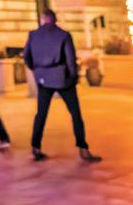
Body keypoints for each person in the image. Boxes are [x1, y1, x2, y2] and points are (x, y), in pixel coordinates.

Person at [23, 9, 102, 163]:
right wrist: (73, 77)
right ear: (55, 19)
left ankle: (35, 147)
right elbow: (70, 60)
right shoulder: (63, 35)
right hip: (62, 79)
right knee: (75, 114)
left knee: (41, 114)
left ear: (42, 19)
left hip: (43, 79)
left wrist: (38, 70)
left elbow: (27, 57)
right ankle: (83, 149)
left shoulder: (33, 35)